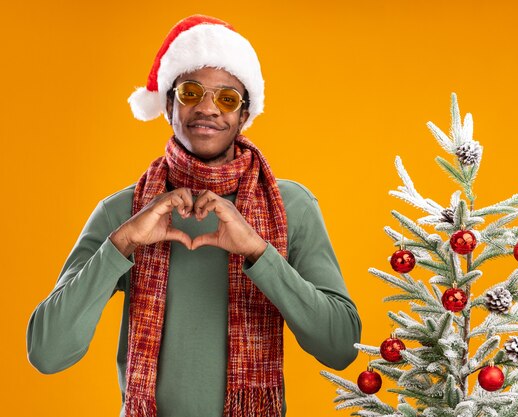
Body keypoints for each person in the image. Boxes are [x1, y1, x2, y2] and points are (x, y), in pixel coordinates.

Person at [26, 15, 361, 417]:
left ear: (244, 114)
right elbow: (47, 353)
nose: (206, 108)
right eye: (190, 92)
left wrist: (258, 251)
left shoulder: (291, 207)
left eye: (226, 98)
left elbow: (342, 347)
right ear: (169, 104)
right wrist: (123, 243)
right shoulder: (124, 212)